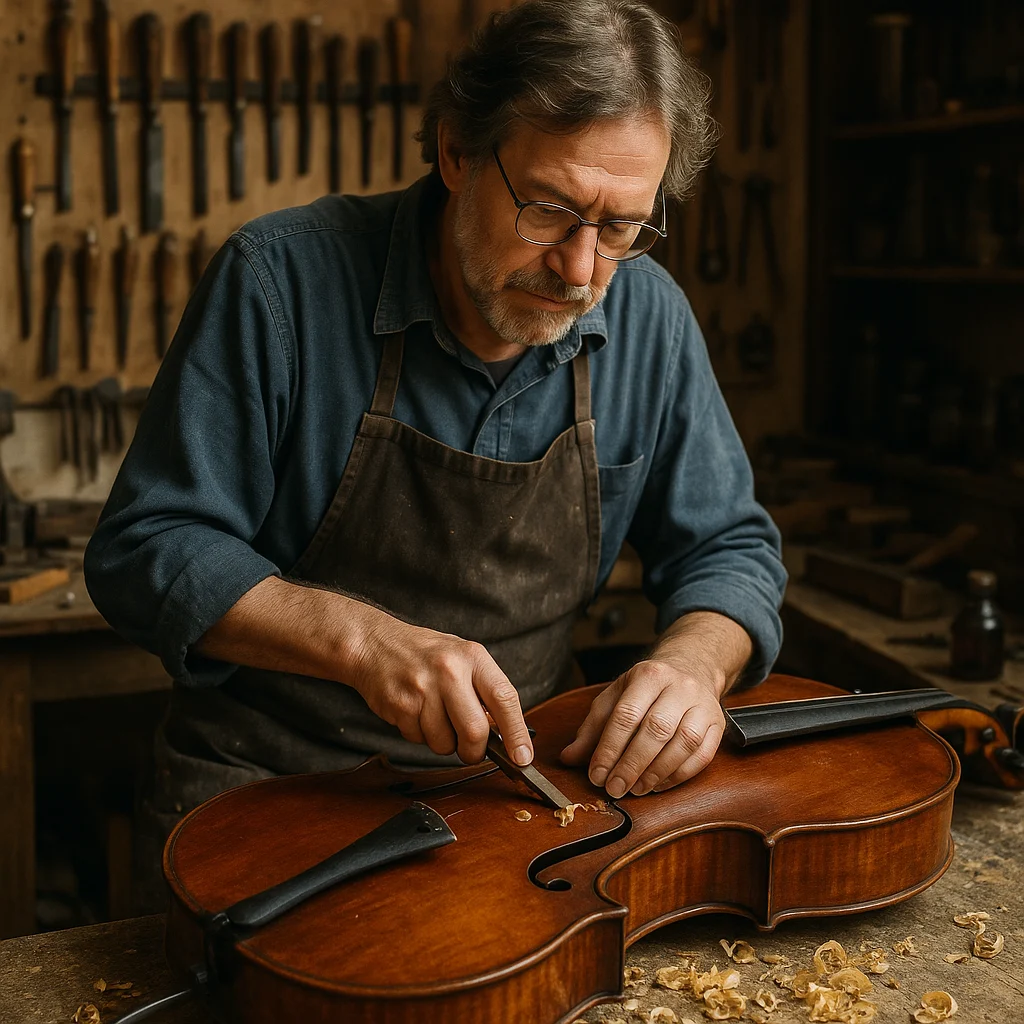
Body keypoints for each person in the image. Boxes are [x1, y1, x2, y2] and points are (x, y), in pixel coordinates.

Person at [84, 0, 786, 905]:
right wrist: (364, 641)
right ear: (456, 151)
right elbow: (148, 547)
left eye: (620, 228)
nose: (580, 271)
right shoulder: (277, 282)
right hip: (265, 797)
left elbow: (729, 548)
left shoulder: (647, 316)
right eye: (550, 209)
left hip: (511, 809)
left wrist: (694, 663)